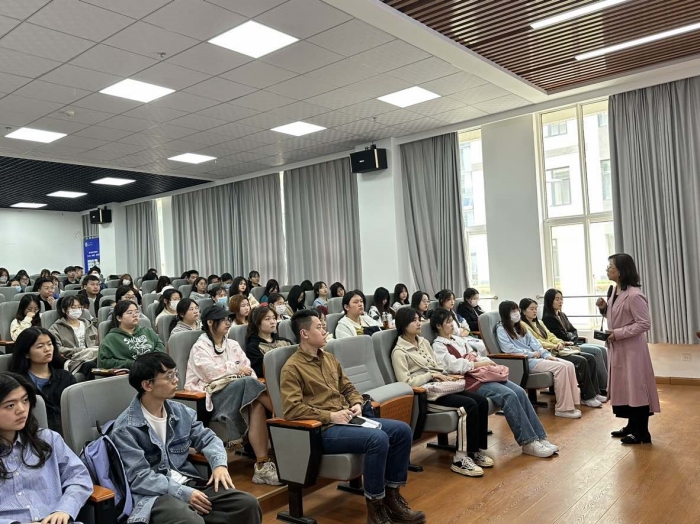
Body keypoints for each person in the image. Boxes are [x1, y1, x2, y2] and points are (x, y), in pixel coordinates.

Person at [281, 309, 425, 524]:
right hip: (323, 430)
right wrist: (330, 416)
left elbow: (348, 388)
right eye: (319, 327)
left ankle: (392, 498)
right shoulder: (292, 368)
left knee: (402, 430)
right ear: (304, 333)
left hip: (348, 419)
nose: (324, 330)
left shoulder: (329, 358)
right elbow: (291, 409)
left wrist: (356, 403)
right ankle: (375, 507)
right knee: (378, 439)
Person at [111, 353, 263, 524]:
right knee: (191, 520)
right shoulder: (125, 428)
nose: (176, 380)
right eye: (169, 376)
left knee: (247, 504)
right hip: (154, 496)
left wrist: (219, 465)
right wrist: (184, 493)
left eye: (175, 373)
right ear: (147, 385)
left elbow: (209, 439)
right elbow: (140, 478)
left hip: (189, 483)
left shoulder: (180, 412)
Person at [430, 308, 558, 458]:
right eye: (448, 322)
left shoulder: (458, 339)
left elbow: (475, 354)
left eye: (452, 321)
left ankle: (540, 437)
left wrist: (483, 361)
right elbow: (453, 366)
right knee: (508, 395)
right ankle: (528, 442)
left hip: (481, 374)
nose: (452, 324)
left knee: (519, 391)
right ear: (438, 326)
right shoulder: (438, 345)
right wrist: (479, 363)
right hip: (469, 380)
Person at [185, 306, 281, 485]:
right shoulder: (199, 347)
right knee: (249, 384)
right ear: (210, 322)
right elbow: (210, 374)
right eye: (223, 320)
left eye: (229, 319)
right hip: (214, 397)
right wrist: (236, 369)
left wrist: (239, 372)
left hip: (242, 392)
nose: (228, 323)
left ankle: (262, 465)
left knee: (256, 402)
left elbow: (249, 369)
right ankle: (283, 415)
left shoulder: (233, 344)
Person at [392, 307, 492, 477]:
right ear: (403, 325)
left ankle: (474, 451)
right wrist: (430, 375)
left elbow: (437, 365)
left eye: (418, 319)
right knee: (467, 406)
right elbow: (405, 382)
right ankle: (460, 459)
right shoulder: (399, 352)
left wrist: (445, 375)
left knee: (480, 401)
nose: (418, 323)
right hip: (425, 394)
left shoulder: (423, 342)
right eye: (413, 320)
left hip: (441, 386)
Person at [0, 372, 93, 524]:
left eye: (25, 400)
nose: (21, 409)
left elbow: (79, 477)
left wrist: (64, 509)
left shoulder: (48, 439)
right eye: (10, 405)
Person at [596, 253, 660, 445]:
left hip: (632, 350)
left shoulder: (634, 295)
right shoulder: (615, 291)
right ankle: (632, 426)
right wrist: (604, 308)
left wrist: (618, 333)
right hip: (619, 349)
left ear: (622, 271)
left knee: (636, 388)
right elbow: (618, 316)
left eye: (611, 266)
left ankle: (642, 433)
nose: (607, 269)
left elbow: (644, 323)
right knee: (627, 388)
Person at [496, 301, 582, 419]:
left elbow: (535, 343)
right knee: (561, 368)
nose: (516, 313)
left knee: (569, 365)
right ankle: (563, 409)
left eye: (517, 310)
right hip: (523, 361)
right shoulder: (501, 329)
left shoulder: (521, 326)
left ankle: (573, 403)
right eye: (513, 311)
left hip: (536, 358)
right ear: (506, 313)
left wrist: (546, 355)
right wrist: (531, 354)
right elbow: (508, 349)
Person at [520, 298, 606, 408]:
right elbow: (537, 342)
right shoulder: (523, 325)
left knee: (590, 358)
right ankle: (587, 397)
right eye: (531, 309)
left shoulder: (539, 322)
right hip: (549, 352)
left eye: (536, 308)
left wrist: (559, 342)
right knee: (582, 361)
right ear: (523, 311)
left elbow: (550, 336)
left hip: (558, 349)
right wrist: (554, 346)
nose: (535, 311)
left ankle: (595, 393)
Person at [542, 288, 609, 394]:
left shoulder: (562, 315)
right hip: (566, 347)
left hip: (573, 343)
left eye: (561, 299)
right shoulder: (548, 318)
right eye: (557, 299)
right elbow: (562, 337)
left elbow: (573, 330)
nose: (560, 301)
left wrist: (571, 336)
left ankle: (605, 384)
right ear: (550, 301)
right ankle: (605, 388)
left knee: (603, 349)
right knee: (597, 351)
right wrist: (571, 337)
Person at [9, 328, 76, 433]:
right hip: (31, 433)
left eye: (50, 344)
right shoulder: (17, 382)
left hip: (65, 432)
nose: (47, 349)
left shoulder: (65, 377)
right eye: (40, 346)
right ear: (26, 353)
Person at [98, 301, 165, 370]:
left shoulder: (148, 331)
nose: (135, 315)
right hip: (131, 372)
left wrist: (151, 360)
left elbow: (161, 347)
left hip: (154, 368)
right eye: (130, 313)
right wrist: (130, 364)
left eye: (136, 312)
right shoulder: (110, 339)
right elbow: (104, 362)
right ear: (119, 318)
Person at [49, 296, 99, 378]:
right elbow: (57, 348)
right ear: (64, 310)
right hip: (73, 360)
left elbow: (99, 343)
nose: (77, 310)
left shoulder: (89, 325)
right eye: (73, 307)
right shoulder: (56, 328)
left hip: (93, 355)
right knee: (91, 365)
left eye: (79, 307)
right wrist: (78, 350)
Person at [245, 306, 292, 378]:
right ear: (257, 323)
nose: (273, 322)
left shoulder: (285, 342)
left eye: (274, 318)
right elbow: (262, 371)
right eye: (267, 319)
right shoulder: (253, 347)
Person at [436, 289, 486, 355]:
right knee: (480, 348)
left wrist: (464, 330)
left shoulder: (454, 313)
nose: (452, 301)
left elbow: (466, 325)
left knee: (483, 344)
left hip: (463, 337)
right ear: (442, 300)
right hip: (455, 340)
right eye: (449, 299)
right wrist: (462, 330)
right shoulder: (440, 316)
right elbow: (453, 331)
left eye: (453, 299)